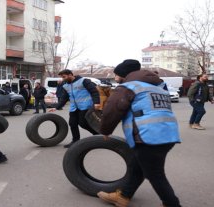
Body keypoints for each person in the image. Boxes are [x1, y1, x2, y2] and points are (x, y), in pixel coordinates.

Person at [98, 59, 181, 207]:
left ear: (123, 74)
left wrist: (105, 130)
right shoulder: (158, 88)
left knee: (155, 174)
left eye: (116, 75)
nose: (115, 78)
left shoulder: (128, 87)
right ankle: (123, 196)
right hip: (168, 135)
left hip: (147, 136)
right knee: (137, 167)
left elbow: (112, 110)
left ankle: (172, 204)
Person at [49, 69, 100, 148]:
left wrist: (96, 102)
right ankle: (75, 140)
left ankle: (97, 134)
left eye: (64, 77)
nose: (63, 79)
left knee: (83, 123)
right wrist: (56, 107)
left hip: (85, 106)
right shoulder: (66, 85)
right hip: (74, 108)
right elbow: (64, 98)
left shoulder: (84, 81)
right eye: (62, 77)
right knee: (72, 124)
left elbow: (94, 92)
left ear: (70, 75)